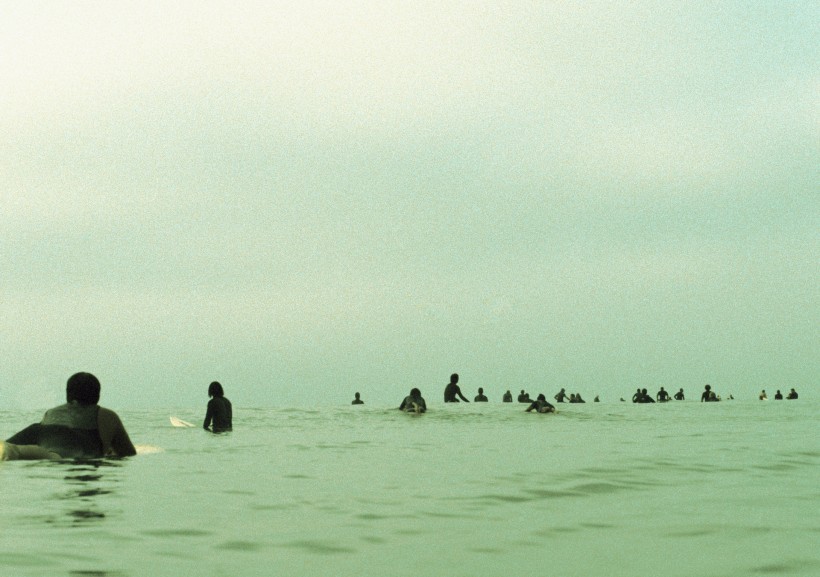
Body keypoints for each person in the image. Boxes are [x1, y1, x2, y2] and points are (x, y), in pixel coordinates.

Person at [1, 372, 136, 460]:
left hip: (43, 438)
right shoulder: (107, 415)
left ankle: (9, 449)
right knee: (52, 455)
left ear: (68, 394)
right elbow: (128, 453)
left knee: (21, 449)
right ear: (97, 395)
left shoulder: (52, 412)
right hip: (70, 452)